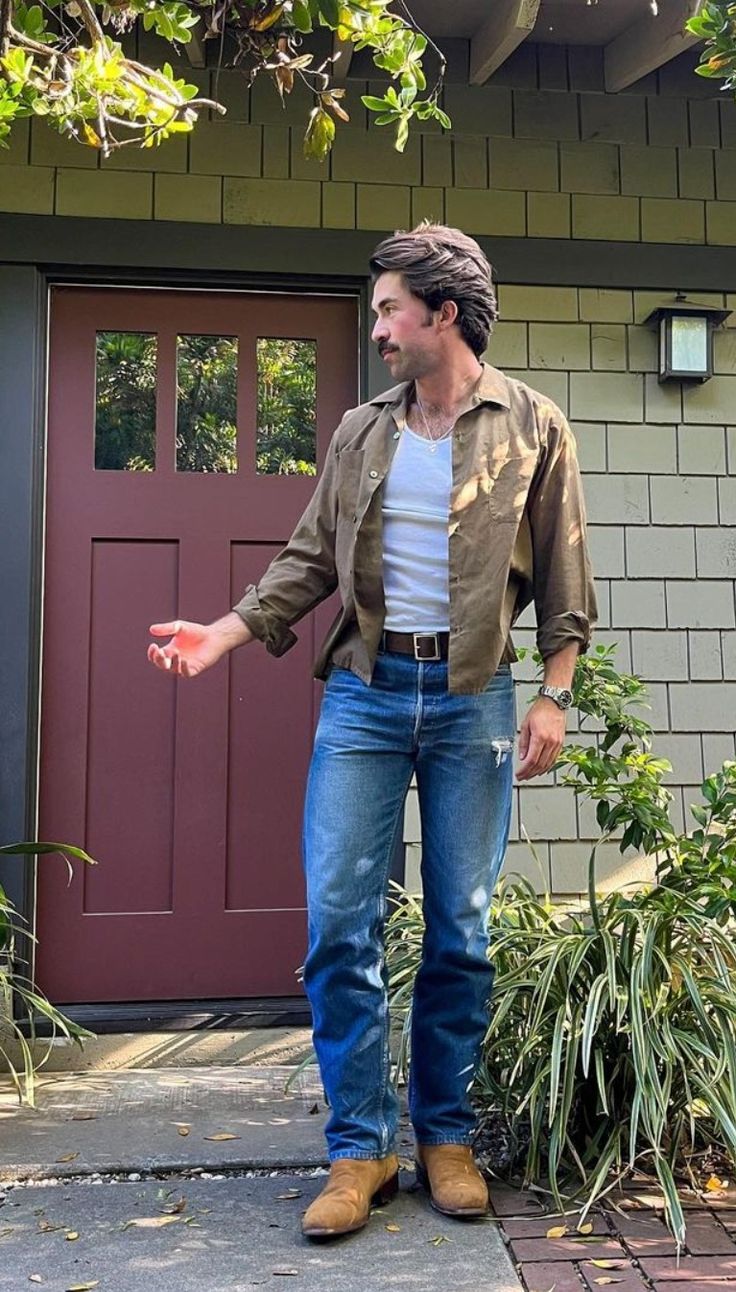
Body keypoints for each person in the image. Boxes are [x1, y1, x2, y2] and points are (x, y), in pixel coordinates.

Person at [147, 222, 597, 1241]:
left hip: (475, 697)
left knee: (459, 928)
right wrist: (223, 632)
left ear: (443, 313)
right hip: (366, 692)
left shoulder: (533, 425)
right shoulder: (363, 430)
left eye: (392, 307)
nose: (378, 324)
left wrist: (553, 694)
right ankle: (361, 1144)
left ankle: (444, 1135)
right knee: (338, 920)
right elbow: (307, 559)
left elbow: (567, 580)